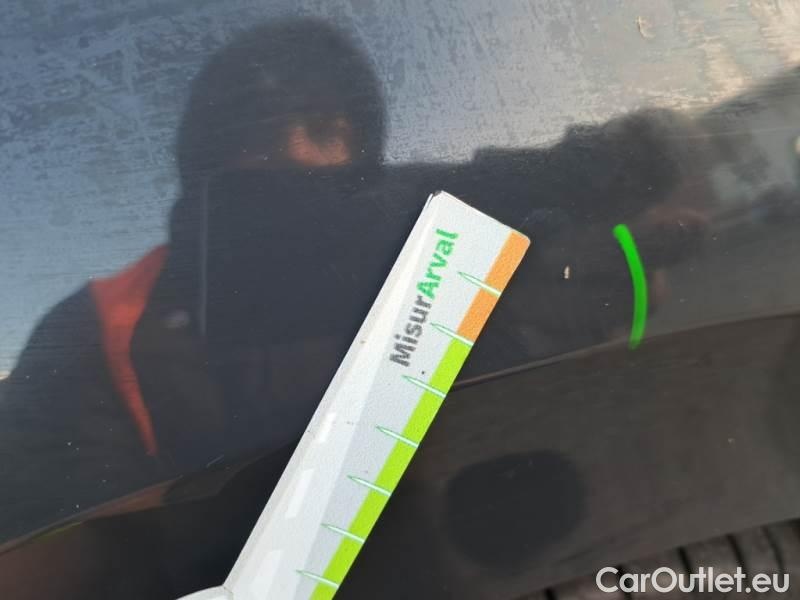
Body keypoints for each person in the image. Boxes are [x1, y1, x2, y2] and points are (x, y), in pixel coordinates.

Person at [0, 16, 709, 598]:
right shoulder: (96, 325)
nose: (290, 154)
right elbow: (44, 561)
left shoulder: (438, 239)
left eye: (323, 128)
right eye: (250, 130)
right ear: (201, 159)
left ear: (364, 156)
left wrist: (529, 325)